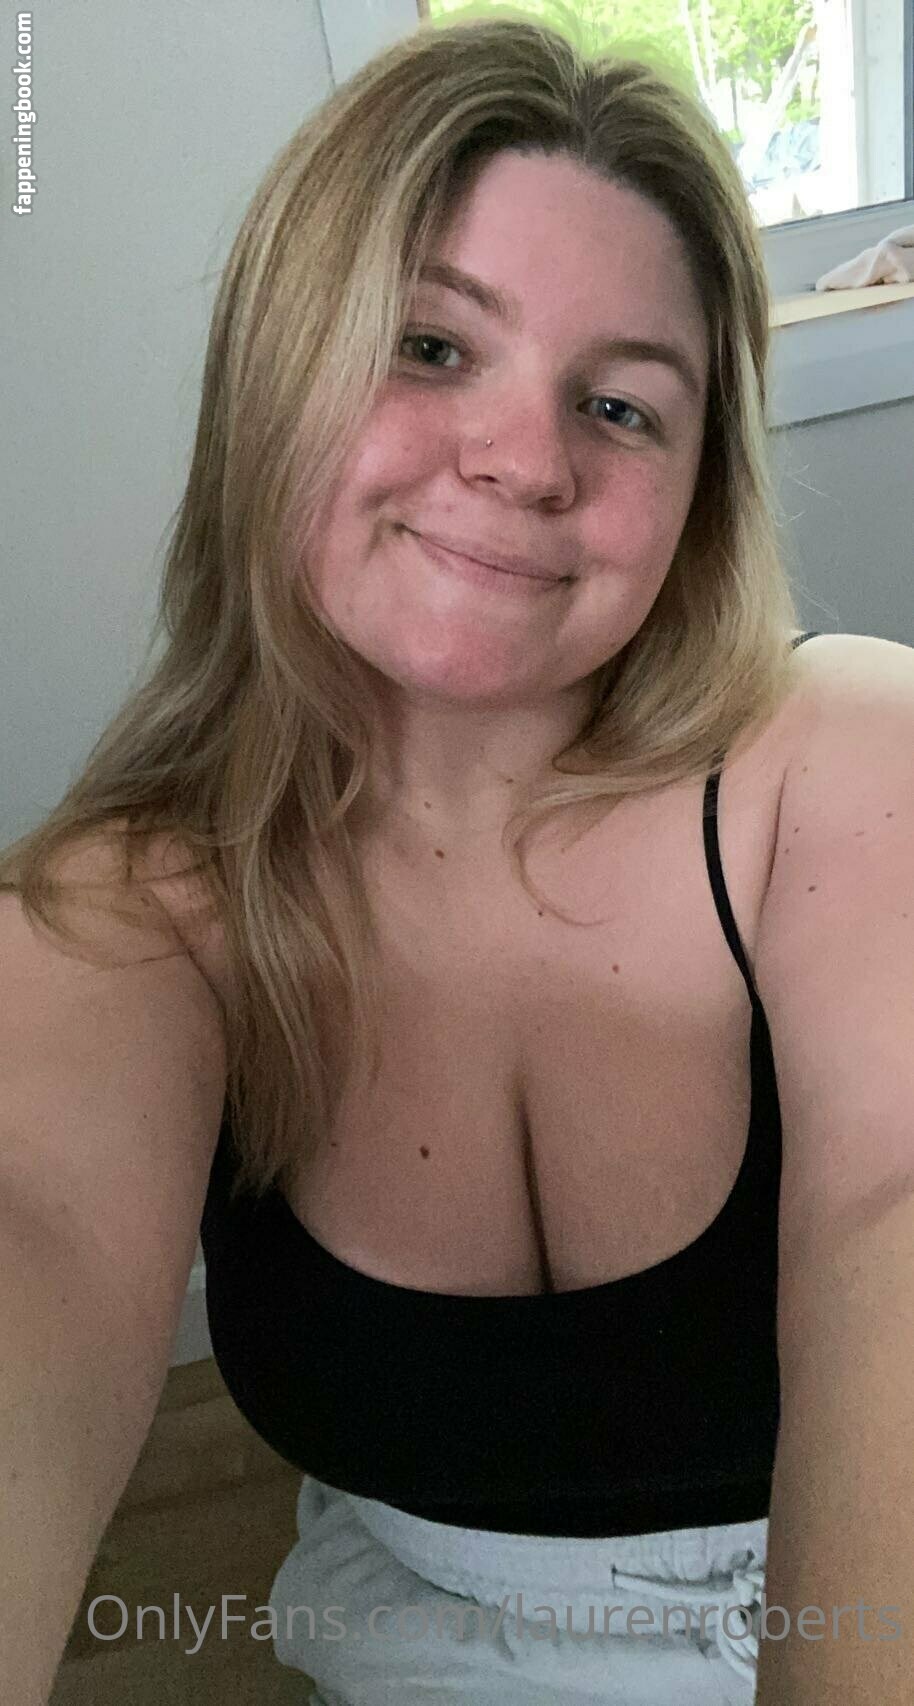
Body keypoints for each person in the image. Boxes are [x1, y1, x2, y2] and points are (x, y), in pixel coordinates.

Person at [3, 8, 913, 1706]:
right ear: (275, 370)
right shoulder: (130, 907)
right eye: (429, 346)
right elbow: (29, 1222)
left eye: (620, 405)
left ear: (700, 489)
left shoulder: (848, 757)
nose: (525, 459)